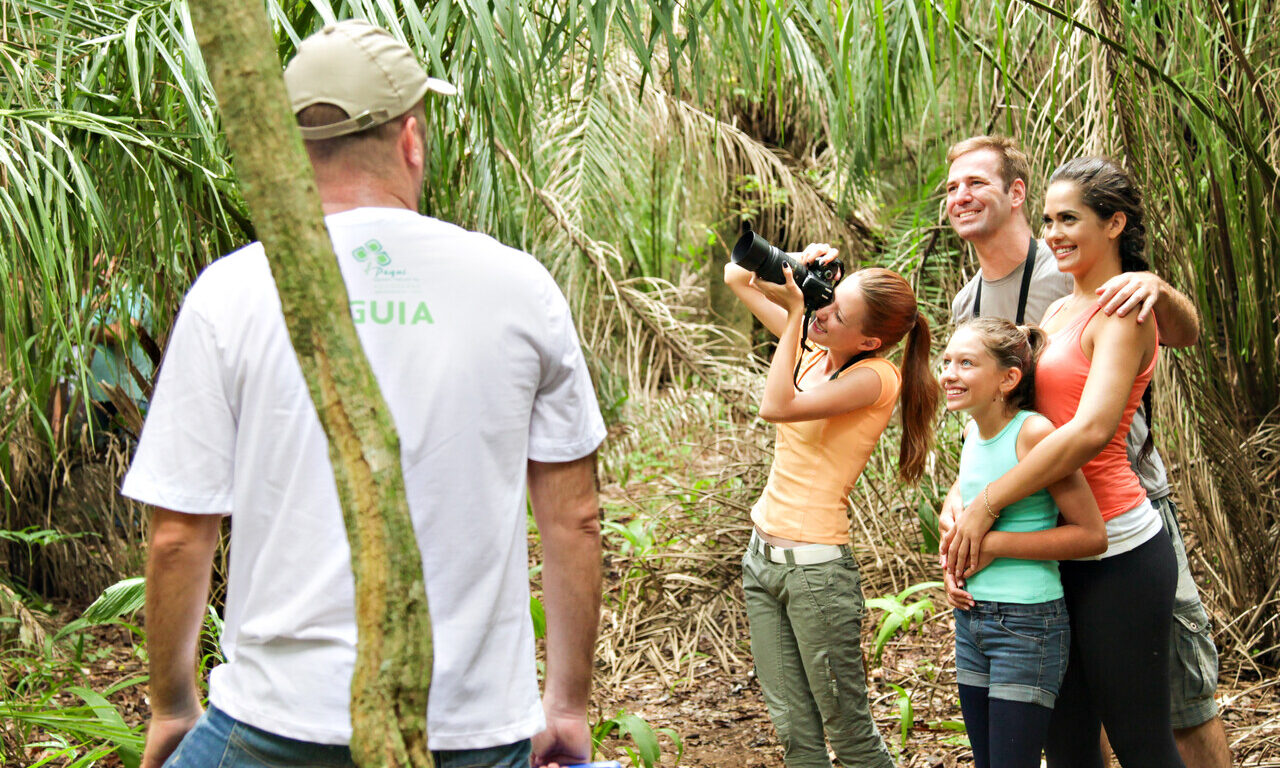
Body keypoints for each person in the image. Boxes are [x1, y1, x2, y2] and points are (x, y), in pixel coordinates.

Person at [123, 20, 606, 768]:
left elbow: (179, 536)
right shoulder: (517, 286)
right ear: (410, 139)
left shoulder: (231, 290)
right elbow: (573, 518)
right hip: (470, 729)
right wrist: (566, 707)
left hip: (274, 722)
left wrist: (172, 708)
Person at [939, 136, 1229, 768]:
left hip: (1118, 545)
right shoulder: (1062, 308)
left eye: (1069, 219)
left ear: (1115, 223)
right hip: (1054, 543)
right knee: (1068, 745)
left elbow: (1093, 430)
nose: (1055, 233)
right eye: (1049, 220)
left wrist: (989, 502)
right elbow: (1004, 420)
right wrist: (962, 498)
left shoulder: (1123, 305)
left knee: (1142, 737)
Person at [725, 247, 938, 768]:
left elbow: (777, 407)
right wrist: (795, 265)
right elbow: (736, 276)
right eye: (827, 301)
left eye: (837, 314)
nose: (823, 312)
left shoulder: (876, 379)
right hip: (762, 565)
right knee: (796, 735)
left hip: (816, 576)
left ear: (868, 341)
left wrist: (798, 316)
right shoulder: (815, 352)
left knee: (850, 736)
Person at [939, 317, 1106, 768]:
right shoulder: (973, 430)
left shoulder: (1033, 433)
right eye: (947, 361)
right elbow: (970, 505)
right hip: (971, 619)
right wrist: (951, 552)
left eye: (967, 363)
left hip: (1027, 625)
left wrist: (993, 546)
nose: (949, 373)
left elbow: (1091, 535)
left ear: (1008, 378)